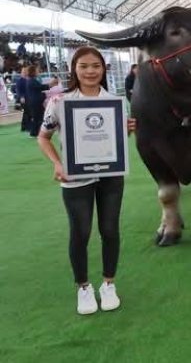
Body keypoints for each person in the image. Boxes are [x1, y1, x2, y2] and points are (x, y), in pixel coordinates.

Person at [37, 47, 135, 315]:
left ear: (104, 69)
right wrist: (58, 164)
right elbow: (42, 137)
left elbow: (114, 144)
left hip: (110, 177)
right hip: (75, 177)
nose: (90, 71)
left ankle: (108, 284)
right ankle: (83, 287)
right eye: (84, 66)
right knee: (80, 233)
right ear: (74, 69)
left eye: (96, 66)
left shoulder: (115, 101)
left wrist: (123, 131)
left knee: (110, 230)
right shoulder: (59, 102)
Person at [25, 65, 49, 137]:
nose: (38, 72)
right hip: (35, 102)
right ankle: (35, 132)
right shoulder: (32, 81)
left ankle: (35, 132)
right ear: (33, 72)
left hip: (35, 101)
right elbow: (41, 87)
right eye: (36, 70)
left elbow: (40, 88)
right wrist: (50, 85)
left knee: (38, 116)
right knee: (37, 117)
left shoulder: (32, 80)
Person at [15, 66, 29, 131]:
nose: (24, 73)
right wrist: (21, 97)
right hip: (23, 99)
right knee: (26, 112)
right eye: (23, 72)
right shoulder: (19, 81)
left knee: (26, 113)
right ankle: (24, 127)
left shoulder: (28, 80)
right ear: (21, 73)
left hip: (28, 98)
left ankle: (24, 127)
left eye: (25, 72)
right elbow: (18, 90)